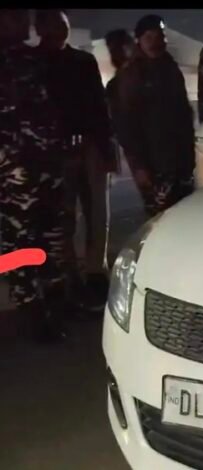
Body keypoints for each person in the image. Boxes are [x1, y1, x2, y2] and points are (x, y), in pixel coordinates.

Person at [35, 9, 115, 312]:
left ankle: (95, 271)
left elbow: (99, 106)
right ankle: (69, 276)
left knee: (97, 212)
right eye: (55, 23)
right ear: (40, 28)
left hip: (90, 145)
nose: (61, 29)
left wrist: (106, 150)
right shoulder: (33, 64)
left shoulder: (83, 61)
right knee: (63, 216)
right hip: (55, 151)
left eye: (64, 23)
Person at [0, 9, 69, 342]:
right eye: (15, 16)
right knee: (18, 240)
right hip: (13, 172)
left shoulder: (33, 59)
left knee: (50, 234)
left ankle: (54, 305)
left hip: (46, 165)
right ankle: (30, 311)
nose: (24, 22)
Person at [116, 15, 195, 217]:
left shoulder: (170, 68)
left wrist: (189, 157)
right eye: (149, 37)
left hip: (179, 163)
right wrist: (139, 167)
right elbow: (126, 126)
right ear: (139, 41)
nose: (155, 42)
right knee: (159, 219)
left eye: (160, 36)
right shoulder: (132, 75)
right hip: (152, 165)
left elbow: (184, 114)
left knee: (185, 214)